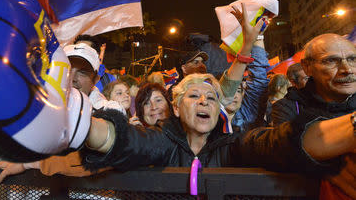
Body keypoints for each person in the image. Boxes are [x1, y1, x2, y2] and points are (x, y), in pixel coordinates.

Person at [81, 73, 355, 179]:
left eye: (212, 98)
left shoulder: (234, 143)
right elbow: (127, 140)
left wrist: (351, 126)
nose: (205, 101)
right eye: (194, 96)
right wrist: (79, 124)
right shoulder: (160, 139)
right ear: (176, 107)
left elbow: (280, 143)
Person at [271, 33, 355, 126]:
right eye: (331, 60)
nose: (348, 70)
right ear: (307, 67)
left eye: (352, 59)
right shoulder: (289, 108)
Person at [223, 36, 269, 132]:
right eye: (230, 89)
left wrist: (258, 36)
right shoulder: (208, 120)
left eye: (239, 91)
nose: (234, 96)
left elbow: (259, 78)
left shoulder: (249, 116)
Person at [64, 43, 125, 114]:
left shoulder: (108, 111)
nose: (72, 78)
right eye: (66, 70)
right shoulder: (48, 104)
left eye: (82, 72)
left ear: (95, 79)